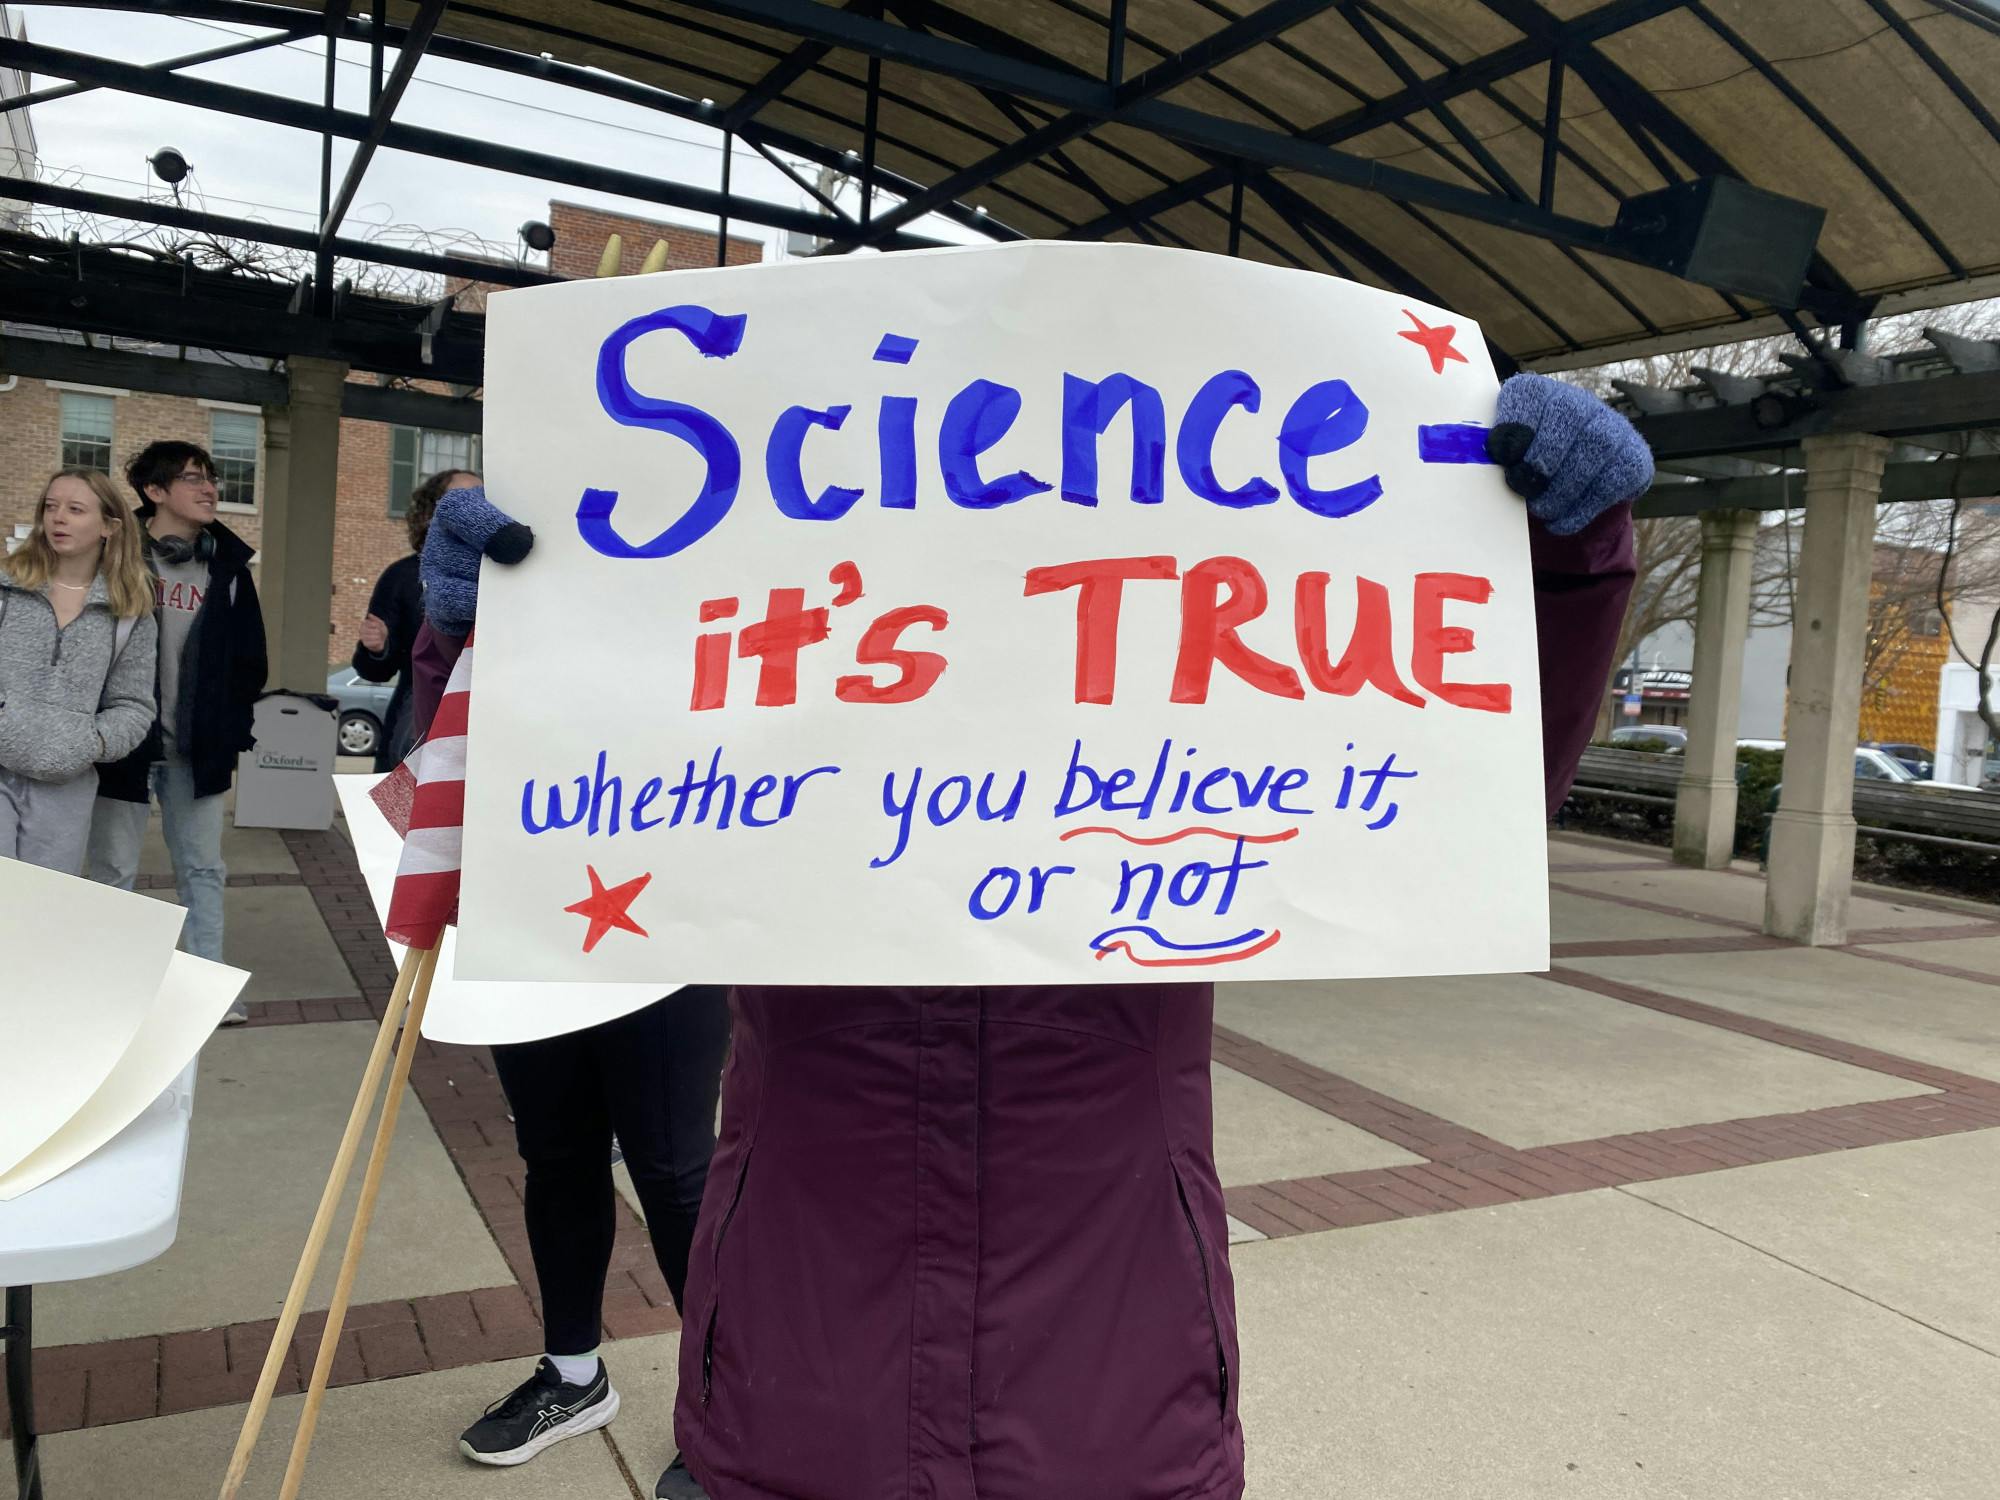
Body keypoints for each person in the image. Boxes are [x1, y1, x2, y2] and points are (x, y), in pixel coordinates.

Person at [421, 374, 1649, 1500]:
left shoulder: (1179, 733)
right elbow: (517, 826)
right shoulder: (770, 730)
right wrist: (483, 638)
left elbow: (1452, 793)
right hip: (797, 1393)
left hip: (1112, 1395)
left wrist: (1565, 568)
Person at [399, 486, 737, 1470]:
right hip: (529, 907)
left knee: (676, 1171)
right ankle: (573, 1371)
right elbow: (438, 733)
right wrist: (453, 621)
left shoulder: (695, 570)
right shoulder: (503, 569)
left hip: (663, 910)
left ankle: (727, 1399)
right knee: (557, 1155)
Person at [87, 441, 267, 1020]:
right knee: (112, 870)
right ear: (155, 492)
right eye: (193, 478)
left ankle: (207, 990)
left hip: (198, 749)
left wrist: (229, 727)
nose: (210, 487)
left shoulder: (229, 570)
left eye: (211, 477)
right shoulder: (112, 558)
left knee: (203, 869)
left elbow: (249, 663)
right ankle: (115, 991)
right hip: (123, 747)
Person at [0, 470, 158, 874]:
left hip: (66, 788)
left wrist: (91, 742)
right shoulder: (6, 590)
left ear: (109, 526)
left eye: (74, 509)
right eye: (50, 507)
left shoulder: (130, 612)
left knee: (40, 918)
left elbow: (133, 705)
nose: (58, 519)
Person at [349, 469, 466, 773]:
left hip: (486, 717)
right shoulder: (402, 576)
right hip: (418, 718)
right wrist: (377, 648)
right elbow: (374, 670)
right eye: (463, 498)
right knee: (405, 814)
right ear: (432, 513)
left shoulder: (505, 576)